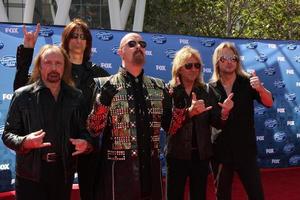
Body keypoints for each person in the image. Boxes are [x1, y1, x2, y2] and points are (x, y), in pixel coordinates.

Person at [13, 19, 110, 200]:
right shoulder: (54, 69)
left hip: (87, 143)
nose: (78, 40)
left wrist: (90, 141)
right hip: (59, 143)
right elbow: (21, 88)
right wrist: (27, 49)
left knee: (93, 193)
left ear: (88, 42)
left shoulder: (99, 74)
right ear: (66, 39)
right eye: (74, 36)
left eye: (83, 37)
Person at [87, 32, 173, 200]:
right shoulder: (104, 85)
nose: (138, 46)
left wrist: (181, 107)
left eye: (142, 44)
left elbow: (172, 128)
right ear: (120, 52)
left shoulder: (159, 86)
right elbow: (93, 130)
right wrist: (102, 104)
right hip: (119, 173)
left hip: (151, 171)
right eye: (132, 44)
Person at [2, 45, 91, 200]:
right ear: (40, 65)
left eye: (58, 63)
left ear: (65, 67)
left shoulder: (76, 97)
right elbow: (8, 134)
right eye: (48, 63)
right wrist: (25, 142)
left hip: (63, 175)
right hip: (30, 176)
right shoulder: (22, 96)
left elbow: (86, 132)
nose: (53, 67)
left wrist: (86, 143)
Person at [165, 46, 233, 200]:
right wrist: (188, 113)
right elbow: (167, 125)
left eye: (197, 65)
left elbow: (217, 123)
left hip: (201, 156)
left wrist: (224, 114)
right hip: (177, 154)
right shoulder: (169, 91)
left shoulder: (206, 91)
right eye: (188, 65)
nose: (194, 69)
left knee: (199, 196)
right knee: (174, 196)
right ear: (179, 69)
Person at [209, 42, 273, 200]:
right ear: (217, 61)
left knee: (256, 194)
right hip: (221, 151)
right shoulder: (210, 87)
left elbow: (269, 102)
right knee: (222, 195)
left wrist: (260, 89)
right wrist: (224, 113)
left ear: (237, 61)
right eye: (224, 58)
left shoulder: (248, 81)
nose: (230, 61)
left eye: (233, 58)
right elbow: (213, 121)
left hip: (246, 150)